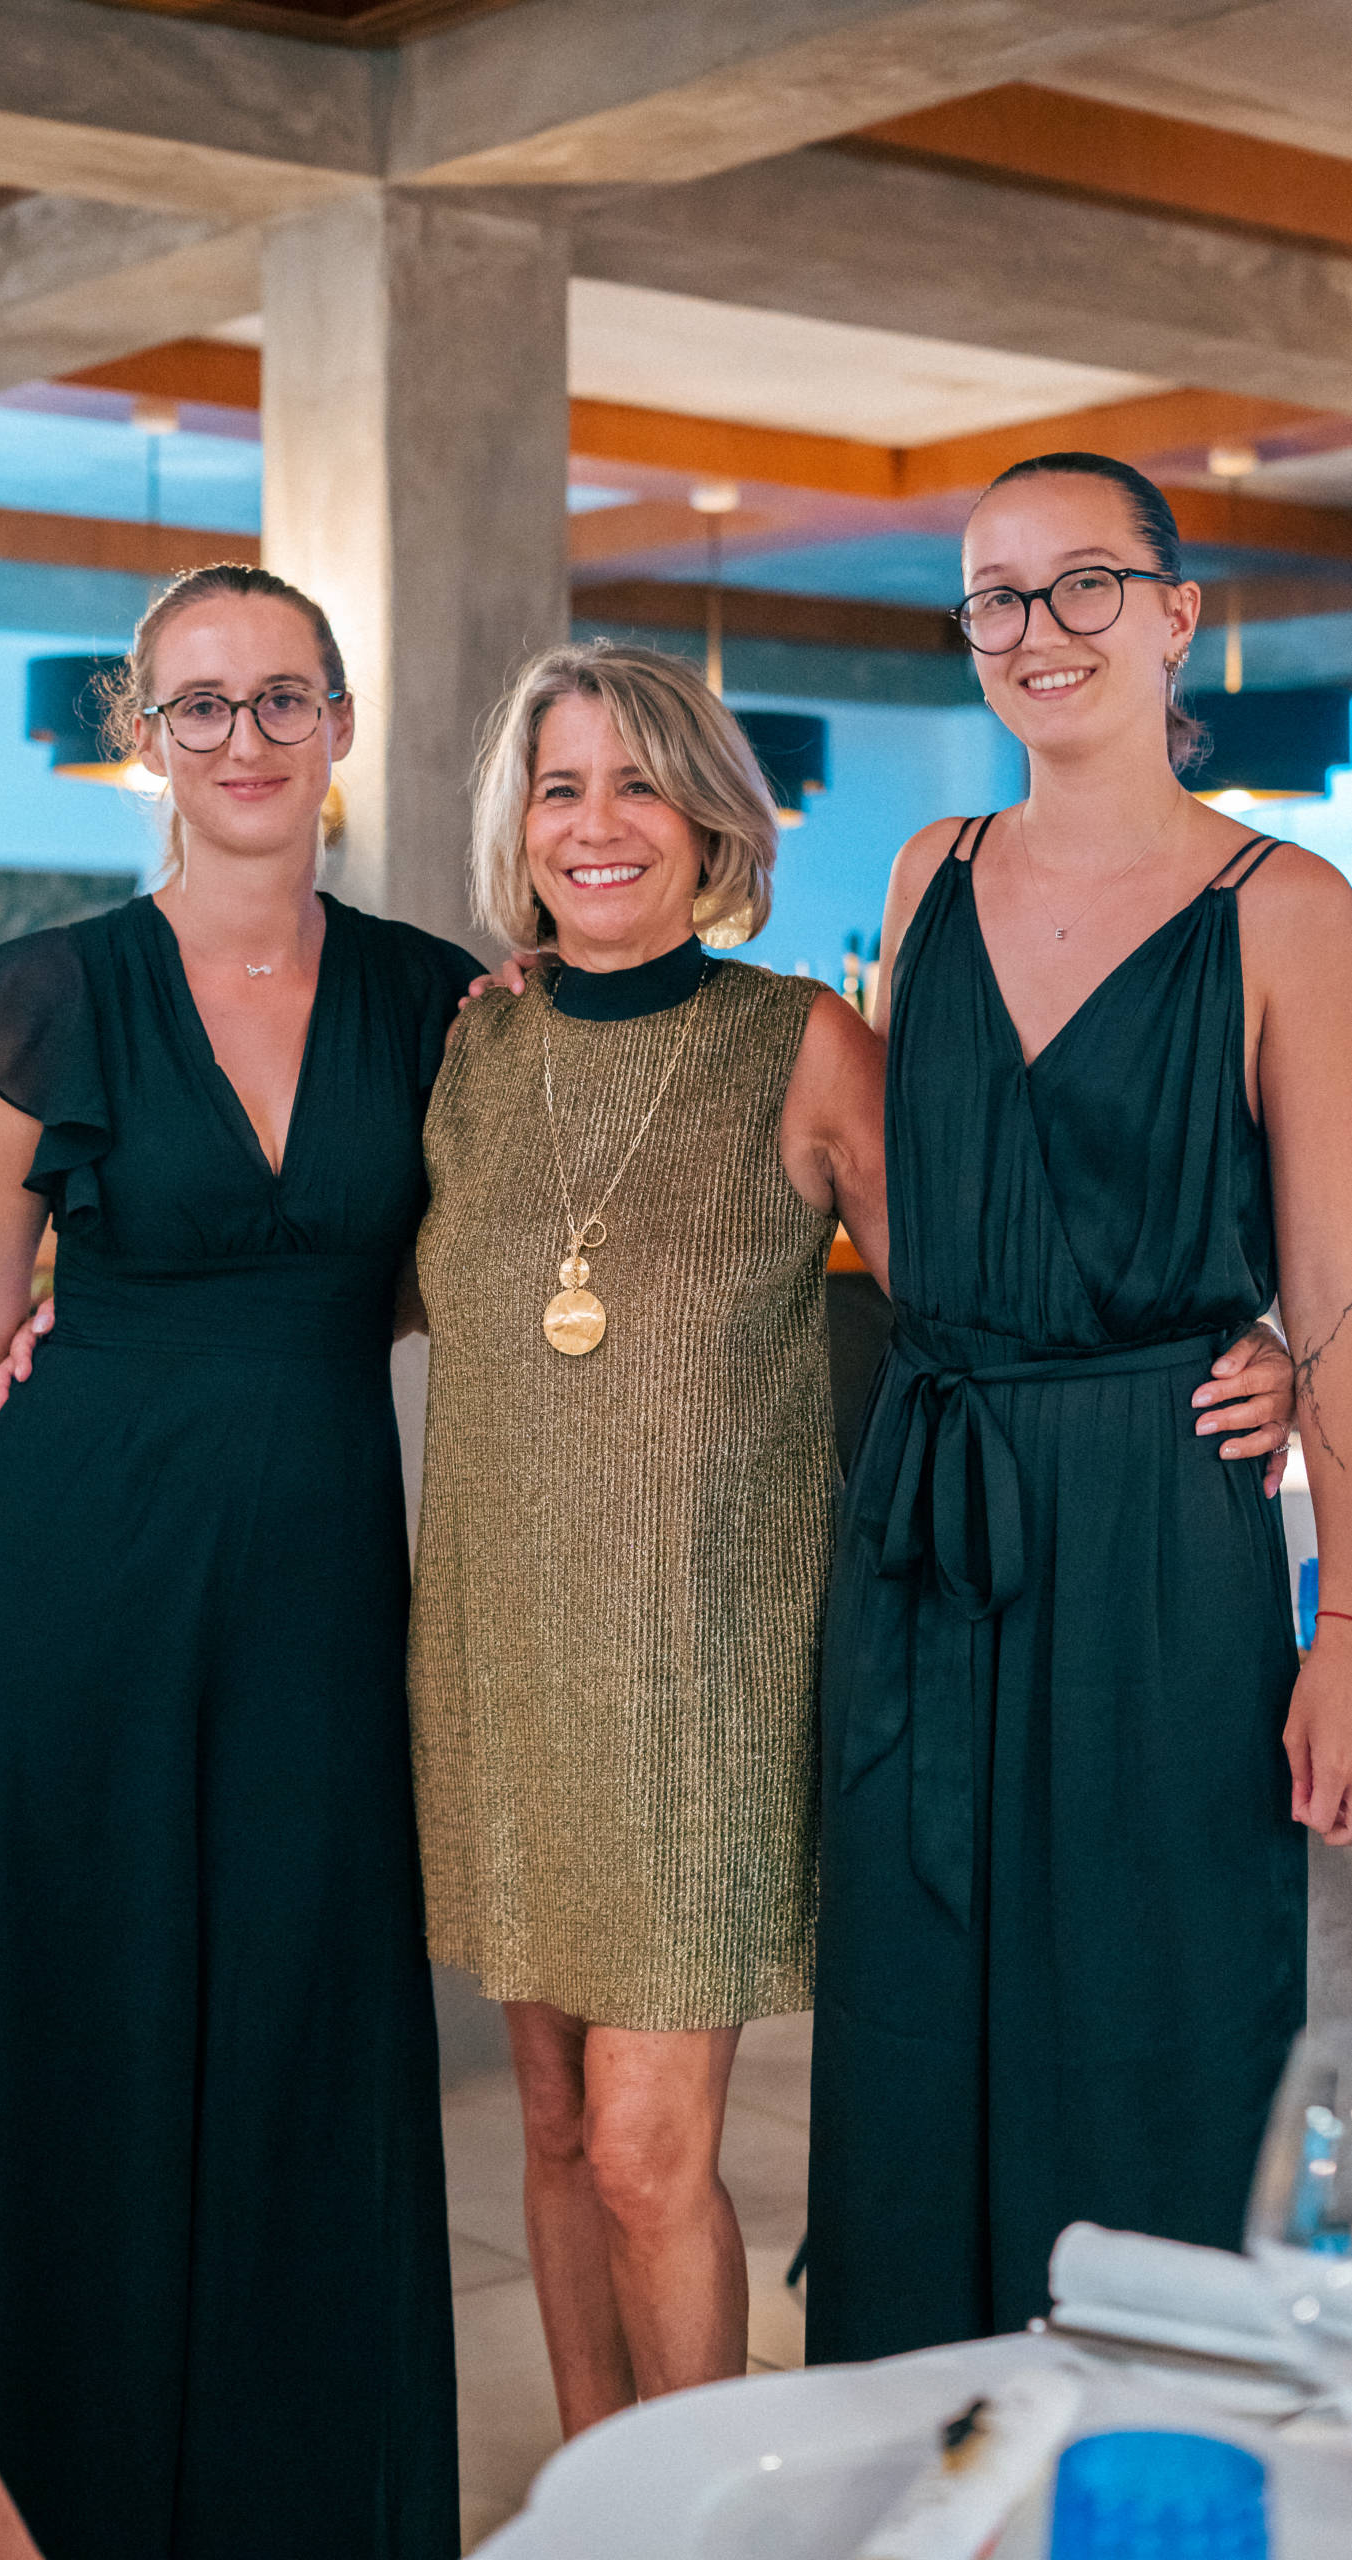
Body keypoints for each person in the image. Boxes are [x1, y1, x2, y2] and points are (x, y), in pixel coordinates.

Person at [0, 564, 472, 2560]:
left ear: (339, 723)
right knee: (66, 2022)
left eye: (282, 698)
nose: (246, 739)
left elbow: (476, 1274)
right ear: (144, 737)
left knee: (304, 2022)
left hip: (316, 1570)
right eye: (201, 705)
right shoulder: (45, 994)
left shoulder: (437, 999)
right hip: (66, 1568)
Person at [805, 452, 1352, 2368]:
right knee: (915, 2010)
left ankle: (1152, 2436)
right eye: (995, 595)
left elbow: (1335, 1297)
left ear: (1176, 612)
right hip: (931, 1517)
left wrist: (1346, 1626)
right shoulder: (927, 872)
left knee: (1151, 2002)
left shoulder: (1287, 909)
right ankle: (920, 2432)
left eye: (1082, 584)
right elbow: (886, 1170)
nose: (1036, 630)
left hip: (1159, 1521)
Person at [406, 640, 887, 2433]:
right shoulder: (472, 1052)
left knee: (638, 2152)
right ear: (518, 829)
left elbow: (979, 1315)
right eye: (559, 787)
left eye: (637, 783)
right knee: (548, 2131)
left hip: (703, 1691)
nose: (595, 823)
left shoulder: (800, 1042)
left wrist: (1242, 1342)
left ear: (707, 820)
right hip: (503, 1662)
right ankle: (589, 2501)